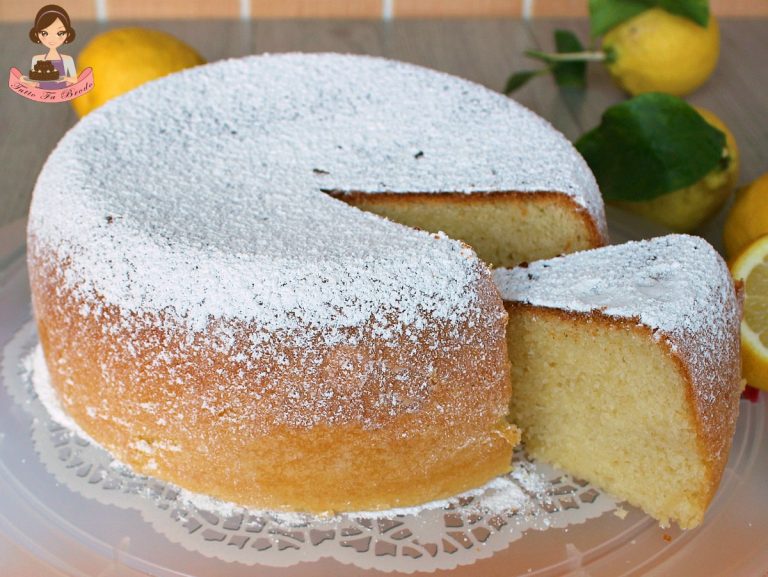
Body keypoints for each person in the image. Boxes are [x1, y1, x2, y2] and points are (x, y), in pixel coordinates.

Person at [23, 4, 78, 90]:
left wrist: (65, 78)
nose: (52, 38)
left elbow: (75, 80)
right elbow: (34, 83)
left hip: (63, 95)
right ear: (36, 34)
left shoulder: (67, 59)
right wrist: (24, 80)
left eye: (60, 33)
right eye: (44, 33)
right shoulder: (36, 59)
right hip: (41, 97)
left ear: (68, 34)